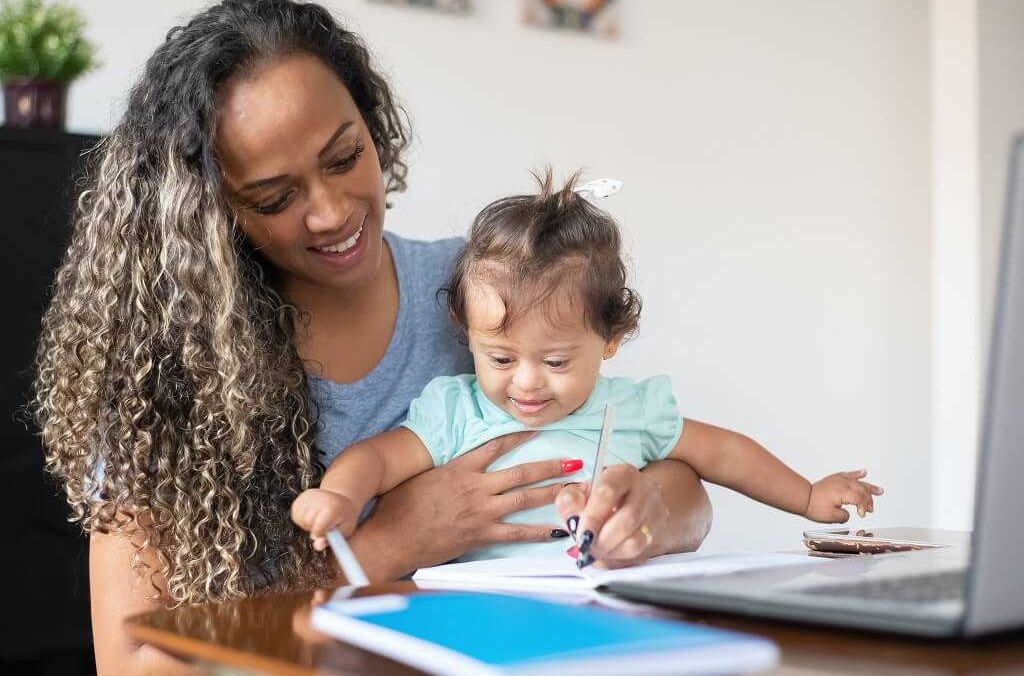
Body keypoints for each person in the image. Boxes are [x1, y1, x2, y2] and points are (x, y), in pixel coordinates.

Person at [29, 0, 711, 676]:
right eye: (274, 198)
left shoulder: (480, 296)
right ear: (207, 214)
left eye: (344, 157)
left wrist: (651, 511)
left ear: (371, 123)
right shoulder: (166, 372)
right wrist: (386, 545)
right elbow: (132, 665)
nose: (330, 213)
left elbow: (674, 474)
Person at [292, 171, 885, 566]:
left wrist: (807, 495)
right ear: (465, 336)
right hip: (481, 611)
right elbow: (377, 456)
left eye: (555, 361)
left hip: (610, 606)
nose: (525, 382)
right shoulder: (457, 409)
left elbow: (724, 455)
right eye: (499, 358)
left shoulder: (630, 409)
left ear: (610, 342)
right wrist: (340, 497)